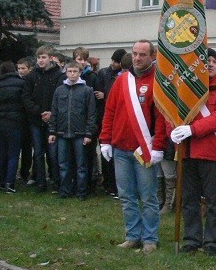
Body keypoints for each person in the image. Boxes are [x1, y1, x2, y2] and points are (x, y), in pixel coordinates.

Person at [99, 40, 167, 253]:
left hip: (143, 150)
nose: (137, 58)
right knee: (127, 196)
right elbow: (110, 111)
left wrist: (157, 146)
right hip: (120, 148)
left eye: (142, 54)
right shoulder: (122, 81)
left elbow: (162, 118)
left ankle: (150, 239)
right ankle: (132, 235)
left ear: (152, 56)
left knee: (148, 197)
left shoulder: (158, 81)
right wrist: (105, 140)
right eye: (135, 54)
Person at [169, 48, 216, 255]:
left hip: (211, 152)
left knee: (214, 201)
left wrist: (192, 129)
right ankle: (191, 239)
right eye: (207, 61)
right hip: (187, 152)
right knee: (189, 200)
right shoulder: (186, 89)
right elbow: (173, 112)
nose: (211, 64)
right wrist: (174, 131)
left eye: (214, 61)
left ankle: (213, 241)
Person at [48, 62, 97, 200]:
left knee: (81, 165)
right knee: (63, 164)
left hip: (80, 133)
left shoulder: (86, 90)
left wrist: (88, 133)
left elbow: (91, 113)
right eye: (69, 71)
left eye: (75, 71)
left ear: (80, 72)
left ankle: (82, 191)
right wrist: (52, 131)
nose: (72, 74)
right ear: (66, 72)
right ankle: (65, 190)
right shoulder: (59, 90)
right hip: (62, 133)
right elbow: (54, 111)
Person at [22, 45, 64, 192]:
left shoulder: (59, 75)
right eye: (39, 57)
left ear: (51, 58)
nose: (40, 60)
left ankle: (55, 181)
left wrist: (51, 113)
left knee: (53, 153)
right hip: (36, 120)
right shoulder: (32, 76)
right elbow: (26, 97)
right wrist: (39, 112)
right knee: (38, 152)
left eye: (43, 57)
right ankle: (40, 181)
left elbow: (61, 97)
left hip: (53, 121)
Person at [72, 47, 104, 195]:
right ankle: (75, 183)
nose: (82, 62)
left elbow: (98, 100)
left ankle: (90, 184)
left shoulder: (93, 77)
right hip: (74, 122)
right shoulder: (69, 77)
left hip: (90, 122)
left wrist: (102, 95)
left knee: (89, 155)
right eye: (79, 59)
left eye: (84, 59)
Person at [0, 62, 26, 193]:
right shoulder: (21, 83)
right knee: (13, 154)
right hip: (15, 122)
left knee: (0, 154)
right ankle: (9, 183)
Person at [98, 49, 126, 196]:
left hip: (118, 120)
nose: (113, 64)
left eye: (117, 62)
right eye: (113, 61)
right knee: (106, 154)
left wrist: (106, 95)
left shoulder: (123, 76)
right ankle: (107, 183)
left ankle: (117, 186)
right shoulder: (103, 73)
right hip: (105, 116)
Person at [15, 58, 34, 183]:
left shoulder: (32, 81)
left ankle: (25, 172)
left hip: (29, 118)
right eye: (19, 68)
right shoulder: (15, 81)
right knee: (16, 147)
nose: (21, 71)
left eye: (23, 68)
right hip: (18, 118)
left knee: (27, 148)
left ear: (29, 69)